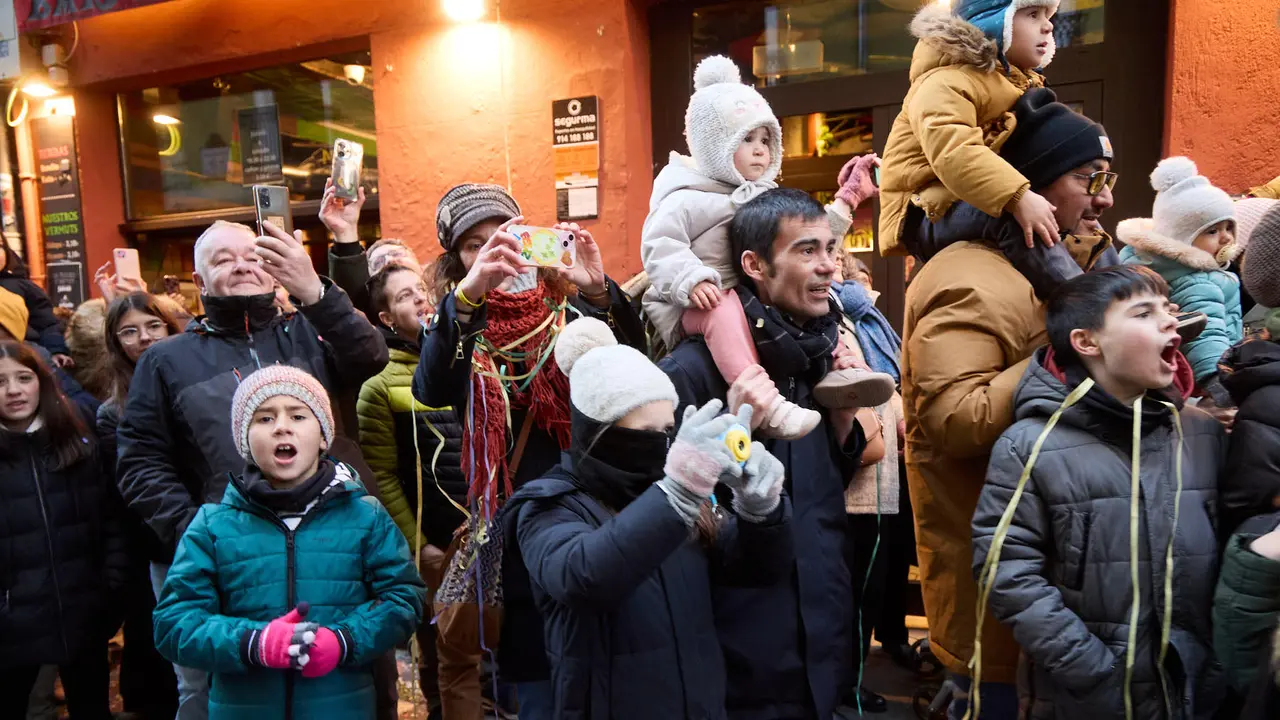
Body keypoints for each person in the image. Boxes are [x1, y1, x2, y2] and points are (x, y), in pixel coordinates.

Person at [899, 91, 1117, 718]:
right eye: (1087, 178)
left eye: (1108, 179)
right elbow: (956, 422)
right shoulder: (966, 273)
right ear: (1031, 187)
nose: (1103, 197)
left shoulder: (1062, 269)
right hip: (994, 612)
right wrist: (1077, 346)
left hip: (1058, 601)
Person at [116, 219, 389, 719]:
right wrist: (194, 529)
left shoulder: (311, 330)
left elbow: (370, 356)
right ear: (199, 284)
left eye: (253, 255)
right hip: (232, 553)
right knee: (217, 686)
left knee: (355, 674)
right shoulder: (167, 360)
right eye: (223, 259)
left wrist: (314, 291)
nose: (241, 265)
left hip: (333, 541)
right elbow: (140, 460)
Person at [413, 183, 644, 718]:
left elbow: (631, 372)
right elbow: (431, 388)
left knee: (605, 664)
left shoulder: (569, 311)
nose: (496, 251)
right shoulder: (458, 323)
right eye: (474, 245)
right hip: (516, 534)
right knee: (539, 688)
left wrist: (599, 292)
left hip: (590, 515)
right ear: (457, 262)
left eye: (507, 235)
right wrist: (468, 296)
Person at [501, 318, 792, 718]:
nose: (661, 445)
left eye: (668, 429)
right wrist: (678, 491)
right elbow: (583, 576)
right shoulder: (548, 505)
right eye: (645, 431)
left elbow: (755, 570)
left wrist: (763, 511)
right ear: (599, 433)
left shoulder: (683, 500)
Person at [971, 267, 1225, 718]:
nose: (1170, 320)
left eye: (1168, 309)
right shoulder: (1032, 443)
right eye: (1143, 313)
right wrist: (1090, 668)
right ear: (1086, 342)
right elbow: (1006, 570)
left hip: (1194, 688)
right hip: (1085, 694)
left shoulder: (1201, 433)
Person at [658, 187, 869, 719]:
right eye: (806, 251)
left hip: (823, 639)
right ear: (754, 264)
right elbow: (670, 515)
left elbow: (821, 490)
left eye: (829, 249)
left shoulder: (818, 351)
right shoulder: (692, 369)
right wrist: (737, 434)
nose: (827, 266)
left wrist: (846, 424)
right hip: (740, 653)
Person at [152, 365, 426, 720]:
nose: (281, 426)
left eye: (298, 415)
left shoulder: (364, 516)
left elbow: (405, 598)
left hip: (341, 707)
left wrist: (344, 640)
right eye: (264, 419)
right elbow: (174, 623)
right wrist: (252, 642)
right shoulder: (213, 526)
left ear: (324, 436)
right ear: (245, 441)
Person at [642, 54, 893, 440]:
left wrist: (846, 199)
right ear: (713, 144)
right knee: (722, 308)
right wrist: (691, 280)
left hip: (746, 302)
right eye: (745, 139)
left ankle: (845, 366)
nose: (760, 150)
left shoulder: (763, 196)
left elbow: (804, 242)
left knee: (829, 299)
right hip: (693, 303)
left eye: (765, 139)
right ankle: (763, 399)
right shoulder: (684, 197)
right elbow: (659, 245)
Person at [880, 2, 1080, 301]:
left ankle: (1125, 294)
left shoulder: (1017, 84)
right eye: (1031, 15)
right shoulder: (943, 81)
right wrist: (1018, 195)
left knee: (1076, 206)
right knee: (1012, 214)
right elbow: (955, 152)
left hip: (967, 200)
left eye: (1047, 16)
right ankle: (1088, 301)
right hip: (928, 212)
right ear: (995, 22)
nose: (1048, 25)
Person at [357, 263, 465, 717]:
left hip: (482, 531)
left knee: (494, 648)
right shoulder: (378, 388)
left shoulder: (466, 360)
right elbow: (382, 477)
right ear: (385, 319)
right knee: (444, 655)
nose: (420, 299)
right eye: (404, 296)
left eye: (421, 290)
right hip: (436, 543)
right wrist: (419, 546)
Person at [0, 340, 125, 719]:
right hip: (10, 623)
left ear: (42, 381)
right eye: (1, 381)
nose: (14, 390)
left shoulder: (77, 443)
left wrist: (111, 588)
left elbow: (110, 521)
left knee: (91, 708)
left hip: (82, 610)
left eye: (24, 377)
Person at [97, 292, 187, 718]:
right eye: (129, 331)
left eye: (153, 326)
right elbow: (127, 489)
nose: (144, 338)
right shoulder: (113, 411)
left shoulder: (194, 379)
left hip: (209, 522)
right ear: (116, 343)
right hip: (156, 541)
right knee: (168, 652)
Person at [830, 250, 901, 714]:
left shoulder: (868, 323)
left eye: (837, 258)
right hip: (854, 483)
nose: (832, 266)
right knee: (851, 596)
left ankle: (851, 681)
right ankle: (843, 686)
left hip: (883, 483)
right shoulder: (834, 327)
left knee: (867, 593)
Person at [1118, 157, 1241, 402]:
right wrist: (1220, 385)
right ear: (1182, 239)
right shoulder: (1196, 282)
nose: (1226, 238)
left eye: (1229, 227)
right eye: (1212, 231)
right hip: (1206, 383)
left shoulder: (1160, 266)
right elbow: (1206, 338)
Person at [0, 243, 73, 365]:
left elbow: (46, 323)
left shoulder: (23, 286)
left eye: (0, 246)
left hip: (27, 354)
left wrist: (55, 350)